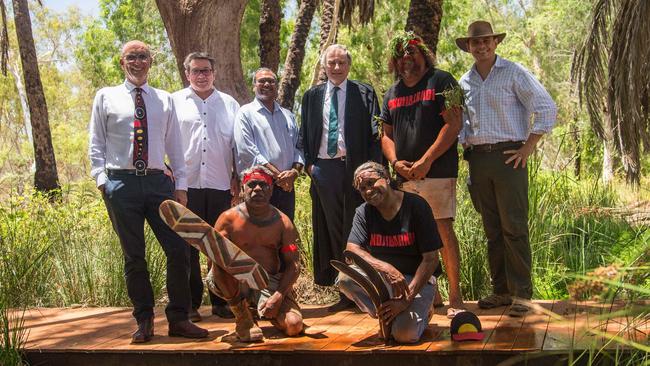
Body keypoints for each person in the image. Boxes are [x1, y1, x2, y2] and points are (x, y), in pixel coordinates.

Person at [88, 40, 207, 343]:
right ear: (122, 62)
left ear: (150, 62)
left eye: (143, 57)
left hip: (158, 184)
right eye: (132, 57)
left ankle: (179, 318)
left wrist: (180, 187)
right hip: (121, 184)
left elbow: (175, 148)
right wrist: (104, 182)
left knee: (178, 249)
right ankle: (144, 321)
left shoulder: (164, 99)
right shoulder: (106, 97)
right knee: (134, 257)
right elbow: (96, 144)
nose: (138, 62)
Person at [456, 21, 557, 317]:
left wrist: (528, 146)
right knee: (492, 230)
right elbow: (462, 123)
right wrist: (463, 146)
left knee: (514, 227)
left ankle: (522, 296)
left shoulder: (514, 72)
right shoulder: (465, 82)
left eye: (486, 41)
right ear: (469, 47)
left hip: (509, 157)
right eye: (476, 43)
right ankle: (501, 291)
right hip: (478, 159)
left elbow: (547, 107)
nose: (482, 46)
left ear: (495, 42)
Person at [379, 32, 466, 318]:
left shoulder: (443, 81)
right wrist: (395, 162)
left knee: (442, 230)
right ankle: (433, 296)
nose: (407, 62)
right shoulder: (391, 93)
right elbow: (385, 134)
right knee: (414, 237)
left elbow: (453, 125)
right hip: (404, 177)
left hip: (437, 172)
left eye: (412, 55)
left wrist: (426, 161)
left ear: (424, 55)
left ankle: (455, 297)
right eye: (401, 57)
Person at [299, 44, 382, 311]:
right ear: (324, 65)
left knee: (358, 227)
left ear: (349, 65)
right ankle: (343, 292)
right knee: (332, 229)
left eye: (341, 63)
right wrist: (311, 167)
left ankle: (365, 289)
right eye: (331, 63)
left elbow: (374, 134)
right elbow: (305, 135)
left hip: (356, 169)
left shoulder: (364, 92)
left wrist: (373, 169)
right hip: (324, 169)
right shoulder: (311, 96)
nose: (336, 68)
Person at [339, 162, 442, 344]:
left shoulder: (416, 206)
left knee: (404, 335)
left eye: (371, 183)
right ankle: (386, 313)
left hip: (416, 281)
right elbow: (351, 250)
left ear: (386, 178)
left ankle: (425, 309)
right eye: (362, 188)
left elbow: (431, 259)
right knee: (345, 279)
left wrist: (406, 300)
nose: (368, 191)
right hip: (385, 280)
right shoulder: (364, 212)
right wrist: (385, 268)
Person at [172, 52, 239, 322]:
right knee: (187, 247)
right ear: (187, 74)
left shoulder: (230, 104)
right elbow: (166, 141)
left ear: (214, 73)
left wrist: (237, 176)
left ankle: (221, 301)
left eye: (206, 71)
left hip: (220, 184)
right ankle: (190, 304)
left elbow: (236, 144)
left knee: (217, 246)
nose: (202, 75)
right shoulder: (174, 102)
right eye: (196, 71)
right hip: (185, 186)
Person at [205, 166, 303, 342]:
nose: (257, 189)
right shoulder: (228, 219)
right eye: (252, 184)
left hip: (269, 282)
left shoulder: (283, 223)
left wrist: (279, 296)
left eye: (263, 185)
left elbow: (294, 265)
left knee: (294, 325)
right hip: (236, 281)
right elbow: (213, 259)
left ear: (271, 190)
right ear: (243, 188)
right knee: (220, 261)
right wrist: (227, 290)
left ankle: (260, 309)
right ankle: (242, 313)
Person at [234, 68, 304, 221]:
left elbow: (299, 148)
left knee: (284, 233)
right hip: (258, 187)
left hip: (286, 187)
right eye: (261, 81)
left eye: (271, 81)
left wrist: (294, 173)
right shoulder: (245, 113)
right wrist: (280, 177)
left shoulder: (288, 115)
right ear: (254, 86)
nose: (267, 84)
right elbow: (248, 152)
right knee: (259, 236)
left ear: (277, 85)